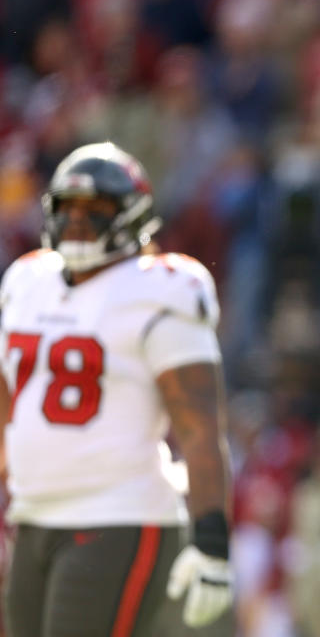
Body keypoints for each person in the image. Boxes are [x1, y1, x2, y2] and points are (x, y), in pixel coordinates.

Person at [0, 142, 234, 636]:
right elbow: (9, 408)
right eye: (69, 208)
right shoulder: (27, 281)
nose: (79, 222)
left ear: (131, 216)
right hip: (34, 514)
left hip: (117, 516)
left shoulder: (159, 290)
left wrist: (211, 539)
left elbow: (199, 426)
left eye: (97, 210)